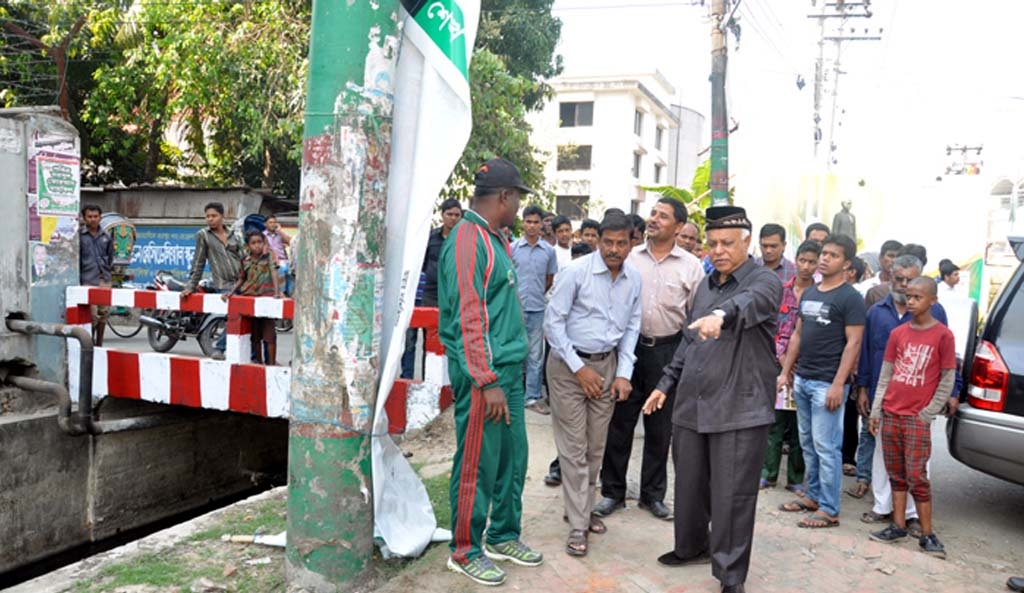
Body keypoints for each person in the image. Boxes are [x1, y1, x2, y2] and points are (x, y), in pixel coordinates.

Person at [642, 206, 781, 593]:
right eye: (713, 243)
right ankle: (691, 547)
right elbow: (689, 340)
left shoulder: (764, 280)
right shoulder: (705, 284)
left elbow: (751, 303)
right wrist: (665, 384)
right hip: (692, 403)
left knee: (732, 496)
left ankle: (730, 576)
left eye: (727, 243)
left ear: (746, 242)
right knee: (689, 485)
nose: (718, 250)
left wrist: (723, 313)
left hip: (738, 407)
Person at [438, 158, 542, 586]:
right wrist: (486, 379)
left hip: (507, 371)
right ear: (504, 197)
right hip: (488, 377)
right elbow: (469, 317)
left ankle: (502, 533)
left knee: (512, 457)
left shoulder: (494, 238)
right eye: (517, 197)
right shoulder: (468, 240)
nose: (518, 206)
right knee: (477, 463)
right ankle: (464, 550)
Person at [595, 198, 704, 521]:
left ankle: (652, 495)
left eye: (662, 216)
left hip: (668, 353)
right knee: (620, 423)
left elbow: (696, 317)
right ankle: (612, 492)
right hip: (627, 351)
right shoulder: (631, 257)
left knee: (660, 428)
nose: (653, 219)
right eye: (653, 213)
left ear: (679, 227)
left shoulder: (691, 266)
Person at [545, 211, 641, 557]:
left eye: (622, 242)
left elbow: (632, 328)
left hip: (607, 366)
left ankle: (580, 509)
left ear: (632, 242)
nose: (614, 249)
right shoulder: (575, 272)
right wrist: (578, 369)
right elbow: (552, 324)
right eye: (608, 242)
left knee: (595, 446)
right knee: (573, 448)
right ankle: (577, 524)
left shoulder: (634, 280)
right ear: (597, 241)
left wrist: (623, 374)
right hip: (569, 367)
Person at [852, 255, 957, 530]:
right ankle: (882, 507)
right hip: (884, 398)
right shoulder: (877, 312)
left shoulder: (938, 318)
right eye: (899, 279)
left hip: (921, 404)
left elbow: (947, 365)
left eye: (910, 280)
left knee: (917, 464)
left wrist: (943, 400)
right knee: (883, 457)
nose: (904, 286)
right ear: (890, 277)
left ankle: (913, 517)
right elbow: (868, 355)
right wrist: (863, 389)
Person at [777, 234, 865, 529]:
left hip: (828, 383)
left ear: (847, 263)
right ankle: (813, 496)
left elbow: (854, 344)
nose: (825, 258)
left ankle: (829, 509)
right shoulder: (812, 293)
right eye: (824, 253)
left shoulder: (850, 298)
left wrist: (839, 384)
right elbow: (797, 335)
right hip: (802, 379)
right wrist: (785, 372)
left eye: (833, 255)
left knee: (827, 447)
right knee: (807, 443)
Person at [761, 240, 820, 494]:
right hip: (777, 364)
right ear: (795, 259)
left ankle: (795, 478)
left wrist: (796, 364)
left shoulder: (820, 294)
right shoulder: (780, 290)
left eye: (812, 262)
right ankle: (768, 473)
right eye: (802, 260)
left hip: (807, 365)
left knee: (800, 426)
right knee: (774, 421)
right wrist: (784, 362)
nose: (806, 266)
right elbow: (771, 328)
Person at [543, 238, 596, 488]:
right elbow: (554, 323)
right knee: (571, 430)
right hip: (565, 359)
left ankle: (584, 484)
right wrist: (578, 367)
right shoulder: (566, 277)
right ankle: (560, 468)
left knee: (591, 434)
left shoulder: (603, 282)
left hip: (598, 362)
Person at [402, 199, 462, 379]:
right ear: (442, 215)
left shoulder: (462, 240)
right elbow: (419, 264)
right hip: (425, 294)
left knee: (437, 343)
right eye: (449, 214)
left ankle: (432, 381)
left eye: (457, 215)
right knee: (410, 341)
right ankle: (407, 377)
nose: (453, 218)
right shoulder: (430, 238)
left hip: (450, 297)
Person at [182, 202, 245, 360]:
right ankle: (219, 348)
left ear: (222, 217)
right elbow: (198, 262)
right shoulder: (203, 235)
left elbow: (245, 258)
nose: (210, 219)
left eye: (214, 216)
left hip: (243, 282)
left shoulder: (235, 234)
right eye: (207, 216)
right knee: (235, 315)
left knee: (252, 315)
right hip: (224, 284)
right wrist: (190, 286)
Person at [512, 205, 558, 414]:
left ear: (542, 224)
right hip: (514, 309)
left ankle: (531, 397)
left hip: (537, 308)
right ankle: (513, 394)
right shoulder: (512, 248)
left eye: (535, 222)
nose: (531, 226)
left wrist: (537, 294)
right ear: (523, 223)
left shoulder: (549, 251)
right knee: (514, 352)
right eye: (528, 221)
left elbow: (549, 279)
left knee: (535, 355)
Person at [224, 231, 282, 365]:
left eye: (259, 242)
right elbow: (241, 279)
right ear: (248, 246)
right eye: (253, 243)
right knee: (255, 335)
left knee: (270, 335)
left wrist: (277, 293)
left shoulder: (269, 257)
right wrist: (231, 292)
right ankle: (259, 362)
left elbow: (274, 273)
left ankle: (271, 364)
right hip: (249, 298)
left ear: (264, 243)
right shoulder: (245, 260)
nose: (257, 246)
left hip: (266, 298)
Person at [79, 204, 114, 346]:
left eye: (96, 217)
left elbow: (111, 257)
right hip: (87, 279)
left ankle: (99, 344)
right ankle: (89, 344)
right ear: (84, 218)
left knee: (103, 313)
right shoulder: (79, 236)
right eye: (90, 217)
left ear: (100, 218)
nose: (93, 219)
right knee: (91, 316)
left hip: (103, 279)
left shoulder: (106, 236)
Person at [866, 243, 927, 309]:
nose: (904, 284)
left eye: (910, 280)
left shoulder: (929, 299)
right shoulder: (876, 293)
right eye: (899, 279)